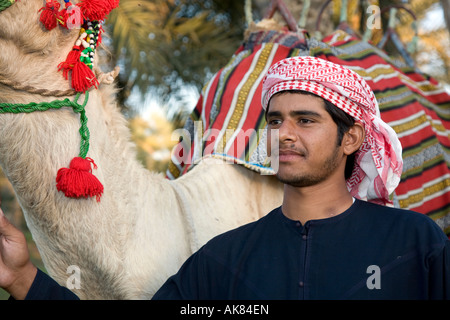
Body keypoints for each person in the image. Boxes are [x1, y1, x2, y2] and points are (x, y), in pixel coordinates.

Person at [0, 56, 448, 300]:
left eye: (305, 121)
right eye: (274, 121)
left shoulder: (414, 246)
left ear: (351, 138)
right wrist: (23, 278)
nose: (284, 135)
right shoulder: (225, 260)